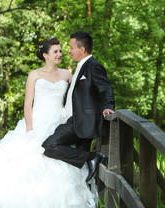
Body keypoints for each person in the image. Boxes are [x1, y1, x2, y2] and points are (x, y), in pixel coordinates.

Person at [0, 38, 98, 208]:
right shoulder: (34, 75)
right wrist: (29, 128)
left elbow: (76, 98)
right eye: (55, 52)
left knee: (56, 159)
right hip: (37, 121)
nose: (60, 54)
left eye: (61, 51)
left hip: (59, 121)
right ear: (45, 55)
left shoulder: (67, 75)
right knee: (28, 162)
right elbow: (28, 104)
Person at [42, 31, 115, 183]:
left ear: (82, 49)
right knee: (80, 173)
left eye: (71, 47)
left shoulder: (94, 66)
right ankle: (85, 203)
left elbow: (105, 88)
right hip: (76, 120)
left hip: (82, 120)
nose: (68, 51)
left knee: (49, 145)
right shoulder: (80, 67)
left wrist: (108, 106)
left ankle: (93, 157)